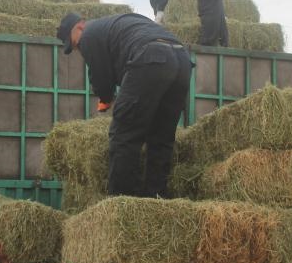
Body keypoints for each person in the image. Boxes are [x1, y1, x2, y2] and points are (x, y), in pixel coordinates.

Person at [56, 12, 192, 197]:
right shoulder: (115, 25)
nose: (78, 49)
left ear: (79, 26)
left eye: (74, 44)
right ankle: (156, 197)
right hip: (182, 60)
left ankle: (121, 200)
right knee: (161, 136)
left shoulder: (88, 35)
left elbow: (100, 76)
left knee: (123, 134)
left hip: (151, 57)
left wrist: (105, 98)